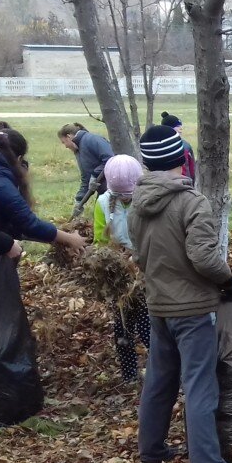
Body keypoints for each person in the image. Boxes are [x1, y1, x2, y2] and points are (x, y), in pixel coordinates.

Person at [128, 124, 232, 463]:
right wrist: (229, 282)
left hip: (159, 305)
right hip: (193, 311)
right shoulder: (191, 202)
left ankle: (152, 451)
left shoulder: (137, 203)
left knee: (160, 379)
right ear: (183, 159)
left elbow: (140, 255)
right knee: (199, 385)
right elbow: (204, 259)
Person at [93, 155, 151, 383]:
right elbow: (100, 239)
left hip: (147, 274)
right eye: (122, 196)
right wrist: (115, 256)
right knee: (123, 328)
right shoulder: (102, 203)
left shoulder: (148, 201)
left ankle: (162, 373)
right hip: (120, 277)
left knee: (149, 328)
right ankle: (129, 375)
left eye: (129, 195)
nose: (126, 199)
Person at [0, 129, 86, 259]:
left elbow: (12, 222)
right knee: (10, 254)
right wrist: (71, 239)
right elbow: (26, 222)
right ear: (19, 158)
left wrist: (52, 236)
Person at [58, 123, 116, 218]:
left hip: (115, 189)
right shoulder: (78, 150)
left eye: (64, 142)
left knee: (107, 220)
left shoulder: (91, 140)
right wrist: (79, 201)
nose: (65, 146)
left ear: (68, 137)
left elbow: (110, 159)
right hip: (103, 191)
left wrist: (95, 174)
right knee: (99, 217)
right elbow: (86, 178)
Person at [160, 112, 197, 182]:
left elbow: (192, 168)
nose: (181, 128)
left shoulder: (186, 146)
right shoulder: (159, 146)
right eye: (177, 126)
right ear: (169, 128)